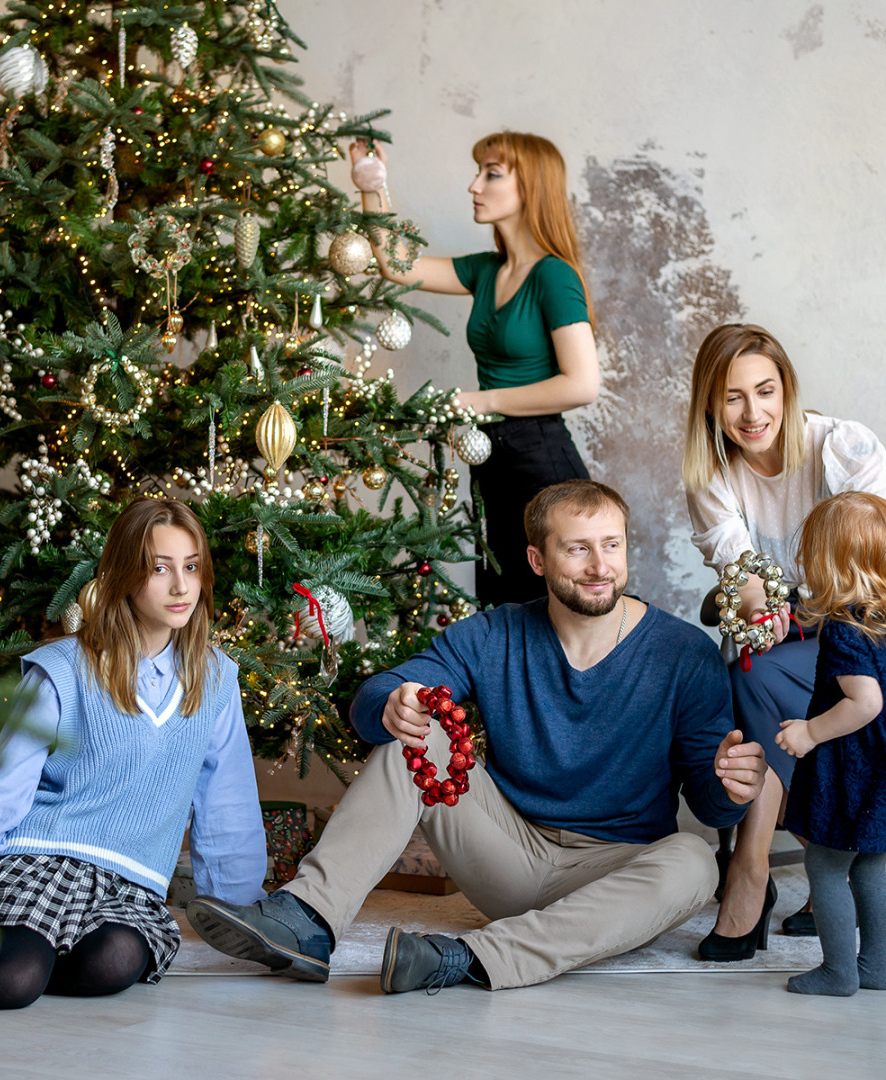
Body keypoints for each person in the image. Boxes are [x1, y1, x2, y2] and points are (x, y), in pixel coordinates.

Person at [186, 479, 767, 993]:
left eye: (611, 546)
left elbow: (710, 806)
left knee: (694, 861)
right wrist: (391, 704)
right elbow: (379, 692)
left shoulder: (683, 654)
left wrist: (731, 788)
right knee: (417, 728)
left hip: (614, 873)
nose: (599, 566)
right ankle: (307, 919)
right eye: (578, 548)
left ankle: (468, 960)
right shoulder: (496, 634)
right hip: (508, 853)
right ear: (538, 560)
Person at [682, 323, 886, 961]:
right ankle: (796, 869)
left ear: (787, 389)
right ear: (710, 404)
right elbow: (746, 582)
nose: (753, 412)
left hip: (885, 637)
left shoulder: (836, 445)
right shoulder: (714, 479)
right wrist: (757, 615)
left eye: (765, 391)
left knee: (757, 678)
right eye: (732, 397)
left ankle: (751, 870)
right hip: (807, 640)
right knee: (750, 666)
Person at [0, 497, 266, 1009]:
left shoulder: (216, 679)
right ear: (123, 574)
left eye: (190, 567)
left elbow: (227, 805)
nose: (182, 587)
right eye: (159, 569)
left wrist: (242, 917)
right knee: (11, 980)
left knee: (114, 961)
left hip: (133, 888)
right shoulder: (63, 670)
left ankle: (13, 957)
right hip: (45, 864)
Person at [350, 131, 599, 607]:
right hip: (492, 459)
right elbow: (396, 265)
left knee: (553, 608)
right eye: (477, 172)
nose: (474, 186)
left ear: (531, 187)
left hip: (541, 460)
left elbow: (583, 383)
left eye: (491, 174)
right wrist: (370, 184)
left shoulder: (554, 275)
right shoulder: (488, 270)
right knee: (502, 603)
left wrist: (480, 402)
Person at [775, 492, 886, 995]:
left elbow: (865, 702)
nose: (803, 560)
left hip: (858, 767)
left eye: (810, 550)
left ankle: (838, 972)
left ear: (831, 561)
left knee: (825, 865)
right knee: (870, 869)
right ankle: (876, 967)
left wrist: (808, 732)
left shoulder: (843, 629)